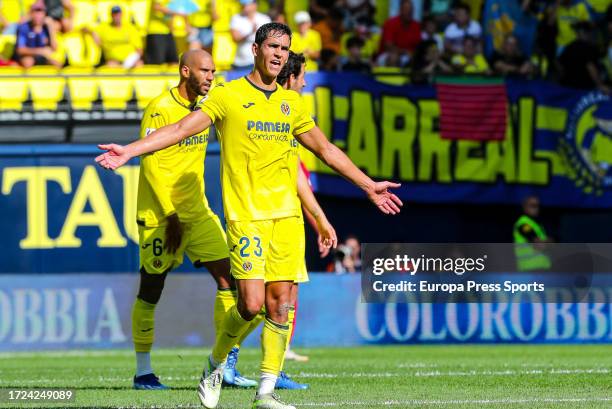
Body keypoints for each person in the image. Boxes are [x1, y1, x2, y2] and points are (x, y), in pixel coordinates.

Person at [95, 22, 402, 409]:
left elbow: (325, 149)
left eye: (285, 49)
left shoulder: (292, 104)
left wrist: (367, 184)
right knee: (250, 304)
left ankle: (265, 392)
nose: (279, 54)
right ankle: (215, 363)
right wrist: (130, 151)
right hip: (246, 217)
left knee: (281, 305)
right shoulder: (228, 95)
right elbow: (180, 128)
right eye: (273, 46)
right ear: (255, 49)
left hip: (286, 217)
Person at [130, 49, 255, 390]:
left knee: (231, 279)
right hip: (160, 214)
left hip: (197, 212)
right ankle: (143, 372)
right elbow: (150, 163)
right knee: (151, 290)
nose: (211, 77)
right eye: (205, 71)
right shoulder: (160, 107)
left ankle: (224, 365)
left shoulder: (206, 106)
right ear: (185, 71)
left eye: (214, 71)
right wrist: (170, 214)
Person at [14, 2, 62, 68]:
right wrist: (40, 51)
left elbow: (55, 48)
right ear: (31, 14)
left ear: (45, 14)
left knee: (57, 63)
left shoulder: (47, 27)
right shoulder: (24, 27)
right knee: (28, 62)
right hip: (28, 56)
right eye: (36, 12)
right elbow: (20, 50)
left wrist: (51, 28)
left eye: (40, 12)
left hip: (43, 57)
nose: (38, 15)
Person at [513, 195, 552, 272]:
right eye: (533, 205)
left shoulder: (537, 224)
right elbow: (538, 244)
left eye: (538, 206)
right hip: (529, 269)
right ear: (525, 207)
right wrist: (548, 242)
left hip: (542, 268)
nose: (536, 208)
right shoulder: (523, 223)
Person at [378, 0, 421, 67]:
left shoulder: (416, 26)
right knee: (394, 57)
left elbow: (418, 46)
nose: (409, 12)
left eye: (411, 10)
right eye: (406, 9)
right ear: (400, 10)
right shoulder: (391, 23)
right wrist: (405, 52)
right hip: (387, 54)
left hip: (408, 56)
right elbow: (388, 46)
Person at [230, 0, 270, 70]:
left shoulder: (265, 19)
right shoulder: (236, 18)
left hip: (259, 61)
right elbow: (235, 38)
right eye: (243, 5)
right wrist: (250, 32)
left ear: (255, 5)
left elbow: (269, 39)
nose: (244, 7)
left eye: (247, 5)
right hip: (241, 62)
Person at [145, 0, 183, 64]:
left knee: (173, 60)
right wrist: (178, 13)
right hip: (156, 32)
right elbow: (157, 7)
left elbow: (168, 14)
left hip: (167, 32)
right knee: (156, 62)